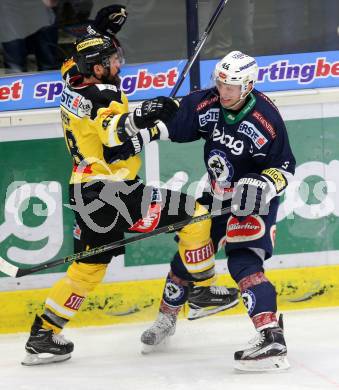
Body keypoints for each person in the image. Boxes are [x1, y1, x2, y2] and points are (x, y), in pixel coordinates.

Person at [22, 33, 238, 366]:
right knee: (195, 214)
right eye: (112, 60)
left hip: (84, 191)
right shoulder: (100, 95)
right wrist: (147, 113)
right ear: (97, 67)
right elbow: (114, 131)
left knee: (87, 270)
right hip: (114, 194)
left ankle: (44, 333)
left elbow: (75, 67)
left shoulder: (72, 79)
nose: (118, 63)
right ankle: (203, 289)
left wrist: (96, 32)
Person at [132, 51, 296, 371]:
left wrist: (262, 184)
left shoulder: (266, 118)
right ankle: (167, 317)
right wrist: (158, 117)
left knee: (243, 260)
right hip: (217, 195)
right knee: (191, 247)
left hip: (253, 201)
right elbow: (181, 122)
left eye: (231, 86)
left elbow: (285, 167)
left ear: (247, 86)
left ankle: (271, 336)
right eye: (220, 82)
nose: (223, 91)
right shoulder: (209, 102)